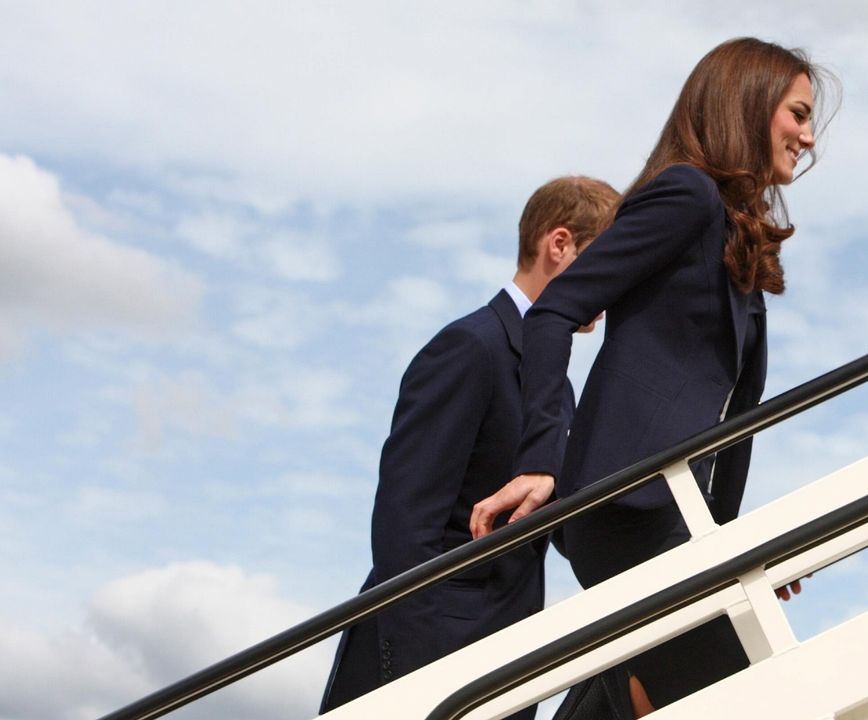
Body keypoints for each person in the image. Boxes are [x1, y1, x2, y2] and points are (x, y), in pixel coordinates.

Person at [471, 37, 835, 716]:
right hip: (627, 508)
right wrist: (542, 460)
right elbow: (554, 312)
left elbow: (726, 415)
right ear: (748, 103)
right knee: (747, 698)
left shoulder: (731, 234)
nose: (809, 137)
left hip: (679, 519)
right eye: (798, 113)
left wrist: (736, 548)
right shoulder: (686, 196)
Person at [320, 175, 620, 715]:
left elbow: (555, 529)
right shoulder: (471, 347)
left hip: (504, 665)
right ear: (559, 245)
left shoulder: (560, 389)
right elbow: (404, 522)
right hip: (432, 665)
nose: (615, 286)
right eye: (608, 261)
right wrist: (425, 681)